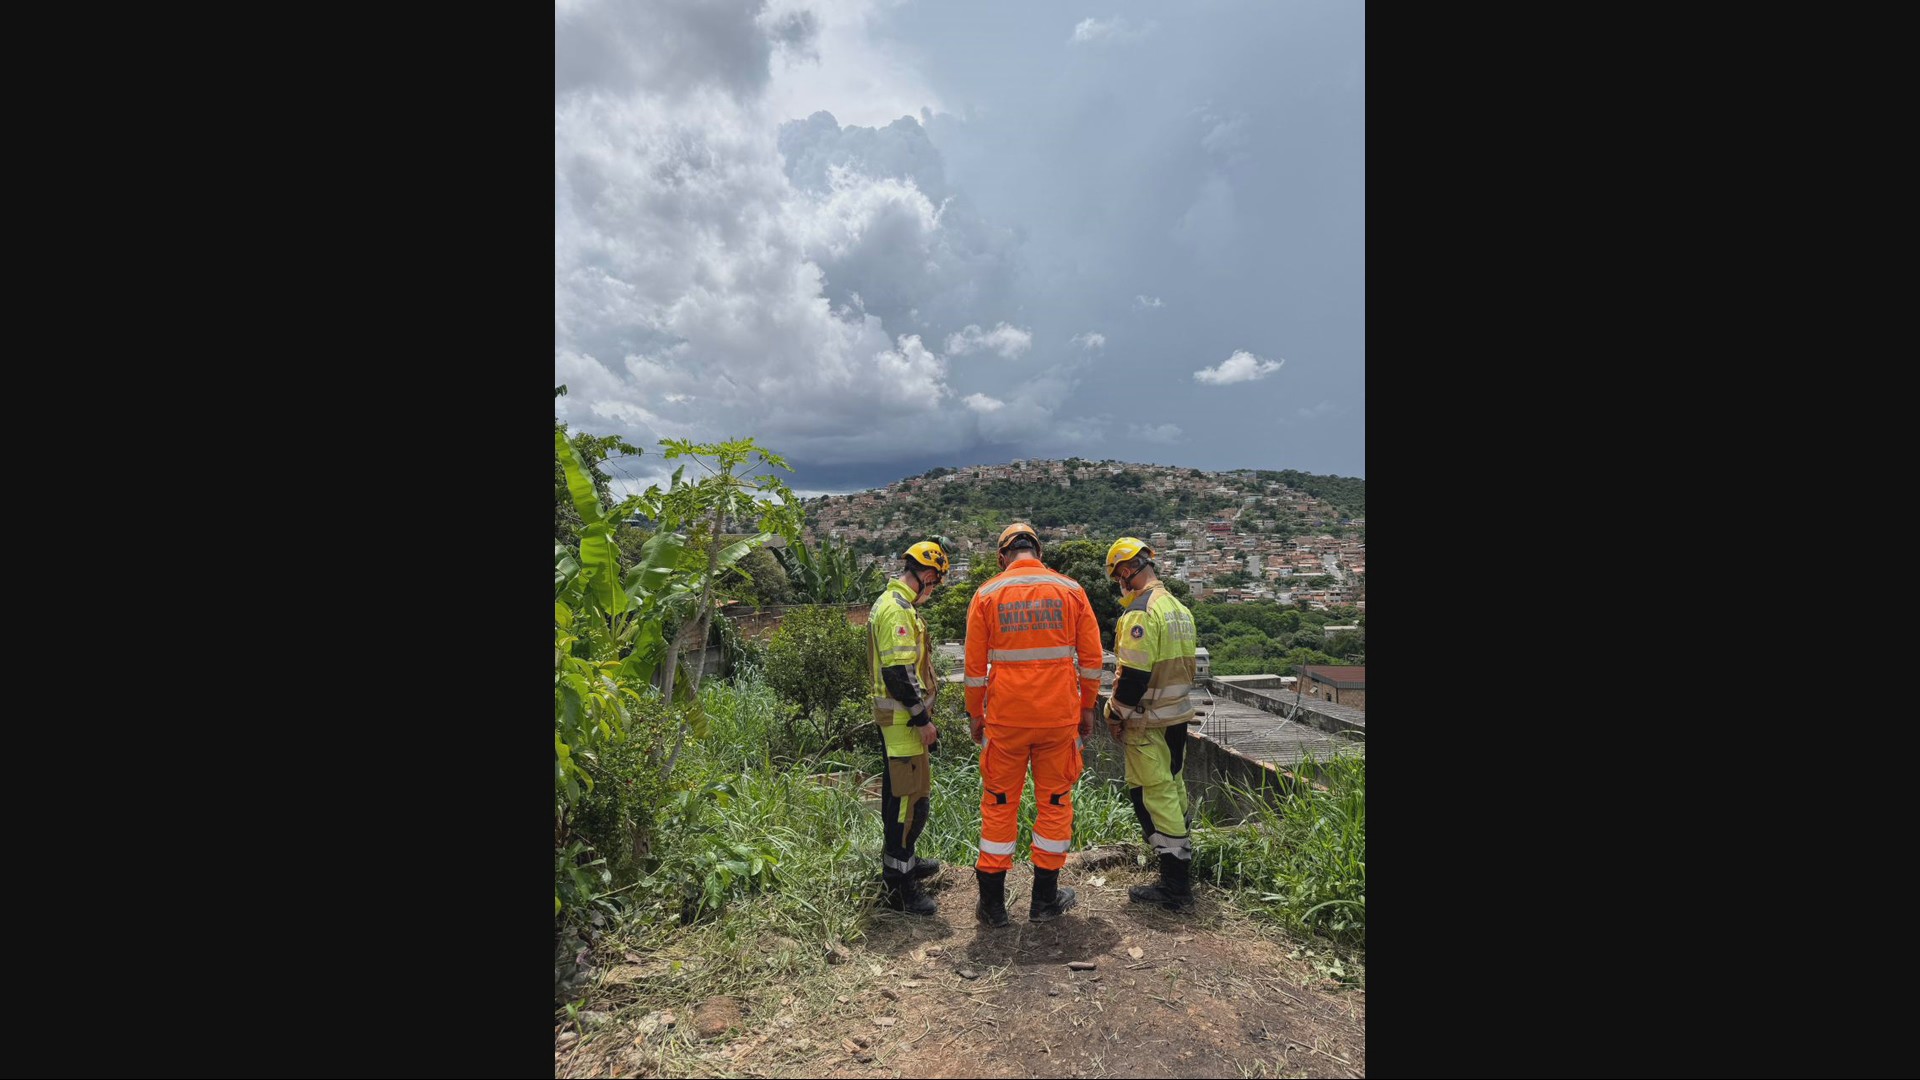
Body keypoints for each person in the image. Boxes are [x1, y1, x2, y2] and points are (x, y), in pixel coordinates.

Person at [963, 522, 1103, 926]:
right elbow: (1092, 660)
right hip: (1059, 719)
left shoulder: (987, 593)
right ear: (1038, 552)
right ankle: (1044, 900)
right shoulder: (1071, 590)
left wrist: (976, 714)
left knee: (999, 804)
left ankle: (991, 906)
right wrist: (1087, 708)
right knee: (1055, 802)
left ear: (1003, 556)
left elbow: (974, 669)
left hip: (1006, 721)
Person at [1101, 537, 1200, 912]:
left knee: (1152, 797)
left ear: (1126, 571)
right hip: (1176, 717)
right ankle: (1181, 872)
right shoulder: (1178, 608)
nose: (1119, 585)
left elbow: (1133, 678)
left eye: (1118, 577)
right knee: (1173, 792)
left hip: (1148, 722)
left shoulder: (1140, 613)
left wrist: (1114, 714)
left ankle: (1175, 888)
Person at [867, 540, 950, 916]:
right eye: (935, 583)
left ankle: (906, 863)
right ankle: (899, 887)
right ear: (928, 576)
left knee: (907, 800)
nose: (933, 590)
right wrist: (923, 720)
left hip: (901, 722)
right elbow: (898, 673)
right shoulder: (897, 610)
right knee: (906, 806)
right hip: (904, 724)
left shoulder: (893, 605)